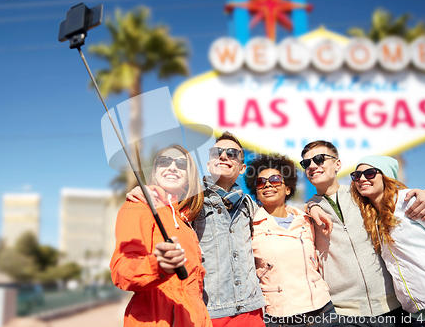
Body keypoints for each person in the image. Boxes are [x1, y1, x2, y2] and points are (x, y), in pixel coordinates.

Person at [301, 140, 425, 326]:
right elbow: (283, 213)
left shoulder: (364, 193)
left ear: (338, 164)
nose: (312, 166)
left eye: (319, 159)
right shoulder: (303, 213)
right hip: (343, 313)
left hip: (393, 307)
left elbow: (402, 198)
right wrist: (310, 205)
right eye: (306, 163)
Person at [127, 132, 266, 327]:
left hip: (252, 311)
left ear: (242, 168)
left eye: (232, 153)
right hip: (211, 313)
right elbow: (168, 202)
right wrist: (147, 190)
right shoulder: (192, 200)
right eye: (217, 152)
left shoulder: (250, 205)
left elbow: (279, 215)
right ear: (208, 164)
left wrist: (313, 206)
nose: (224, 156)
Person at [350, 155, 425, 327]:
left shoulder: (411, 201)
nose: (362, 178)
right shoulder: (372, 219)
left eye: (370, 173)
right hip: (416, 318)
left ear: (386, 177)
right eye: (356, 175)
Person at [110, 144, 211, 326]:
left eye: (181, 164)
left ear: (189, 177)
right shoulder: (138, 205)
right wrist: (157, 265)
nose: (172, 167)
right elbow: (121, 272)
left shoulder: (185, 223)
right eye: (164, 161)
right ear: (155, 172)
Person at [244, 153, 339, 327]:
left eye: (274, 180)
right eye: (260, 182)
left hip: (322, 311)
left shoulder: (307, 219)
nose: (267, 185)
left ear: (288, 188)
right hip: (281, 317)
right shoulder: (249, 226)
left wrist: (312, 205)